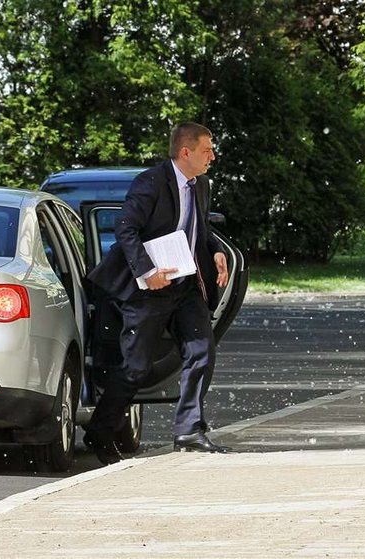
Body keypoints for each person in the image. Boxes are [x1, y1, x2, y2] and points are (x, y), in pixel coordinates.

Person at [83, 122, 231, 465]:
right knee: (136, 367)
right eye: (207, 150)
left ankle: (189, 431)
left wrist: (215, 249)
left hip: (185, 285)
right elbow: (126, 228)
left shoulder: (201, 184)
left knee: (201, 351)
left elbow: (198, 226)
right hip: (148, 289)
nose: (212, 156)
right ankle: (100, 431)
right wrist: (147, 273)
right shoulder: (151, 182)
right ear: (186, 152)